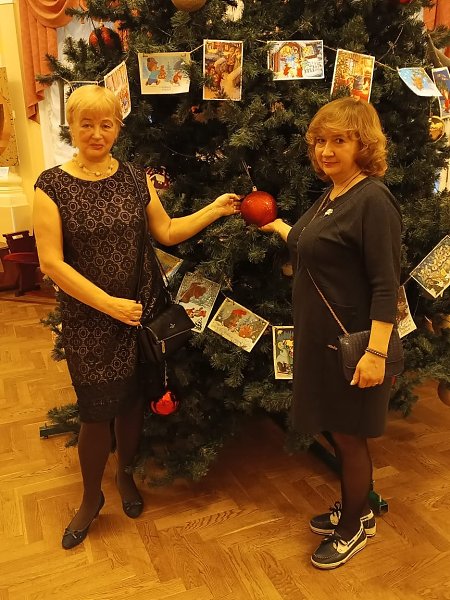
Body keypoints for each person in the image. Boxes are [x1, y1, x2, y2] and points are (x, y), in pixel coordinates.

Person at [33, 84, 240, 550]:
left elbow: (166, 231)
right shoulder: (52, 185)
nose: (96, 133)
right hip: (91, 319)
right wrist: (108, 304)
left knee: (130, 405)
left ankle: (124, 475)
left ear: (117, 129)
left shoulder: (133, 177)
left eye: (106, 124)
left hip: (140, 313)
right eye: (86, 124)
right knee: (95, 413)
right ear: (72, 127)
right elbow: (51, 263)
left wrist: (214, 209)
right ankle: (91, 498)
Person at [261, 97, 402, 569]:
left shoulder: (373, 199)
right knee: (336, 429)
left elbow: (386, 285)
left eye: (339, 140)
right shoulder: (335, 193)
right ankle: (359, 508)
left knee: (348, 436)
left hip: (356, 347)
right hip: (322, 341)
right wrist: (278, 227)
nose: (326, 150)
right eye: (320, 141)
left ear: (364, 144)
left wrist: (376, 354)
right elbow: (311, 243)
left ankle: (353, 527)